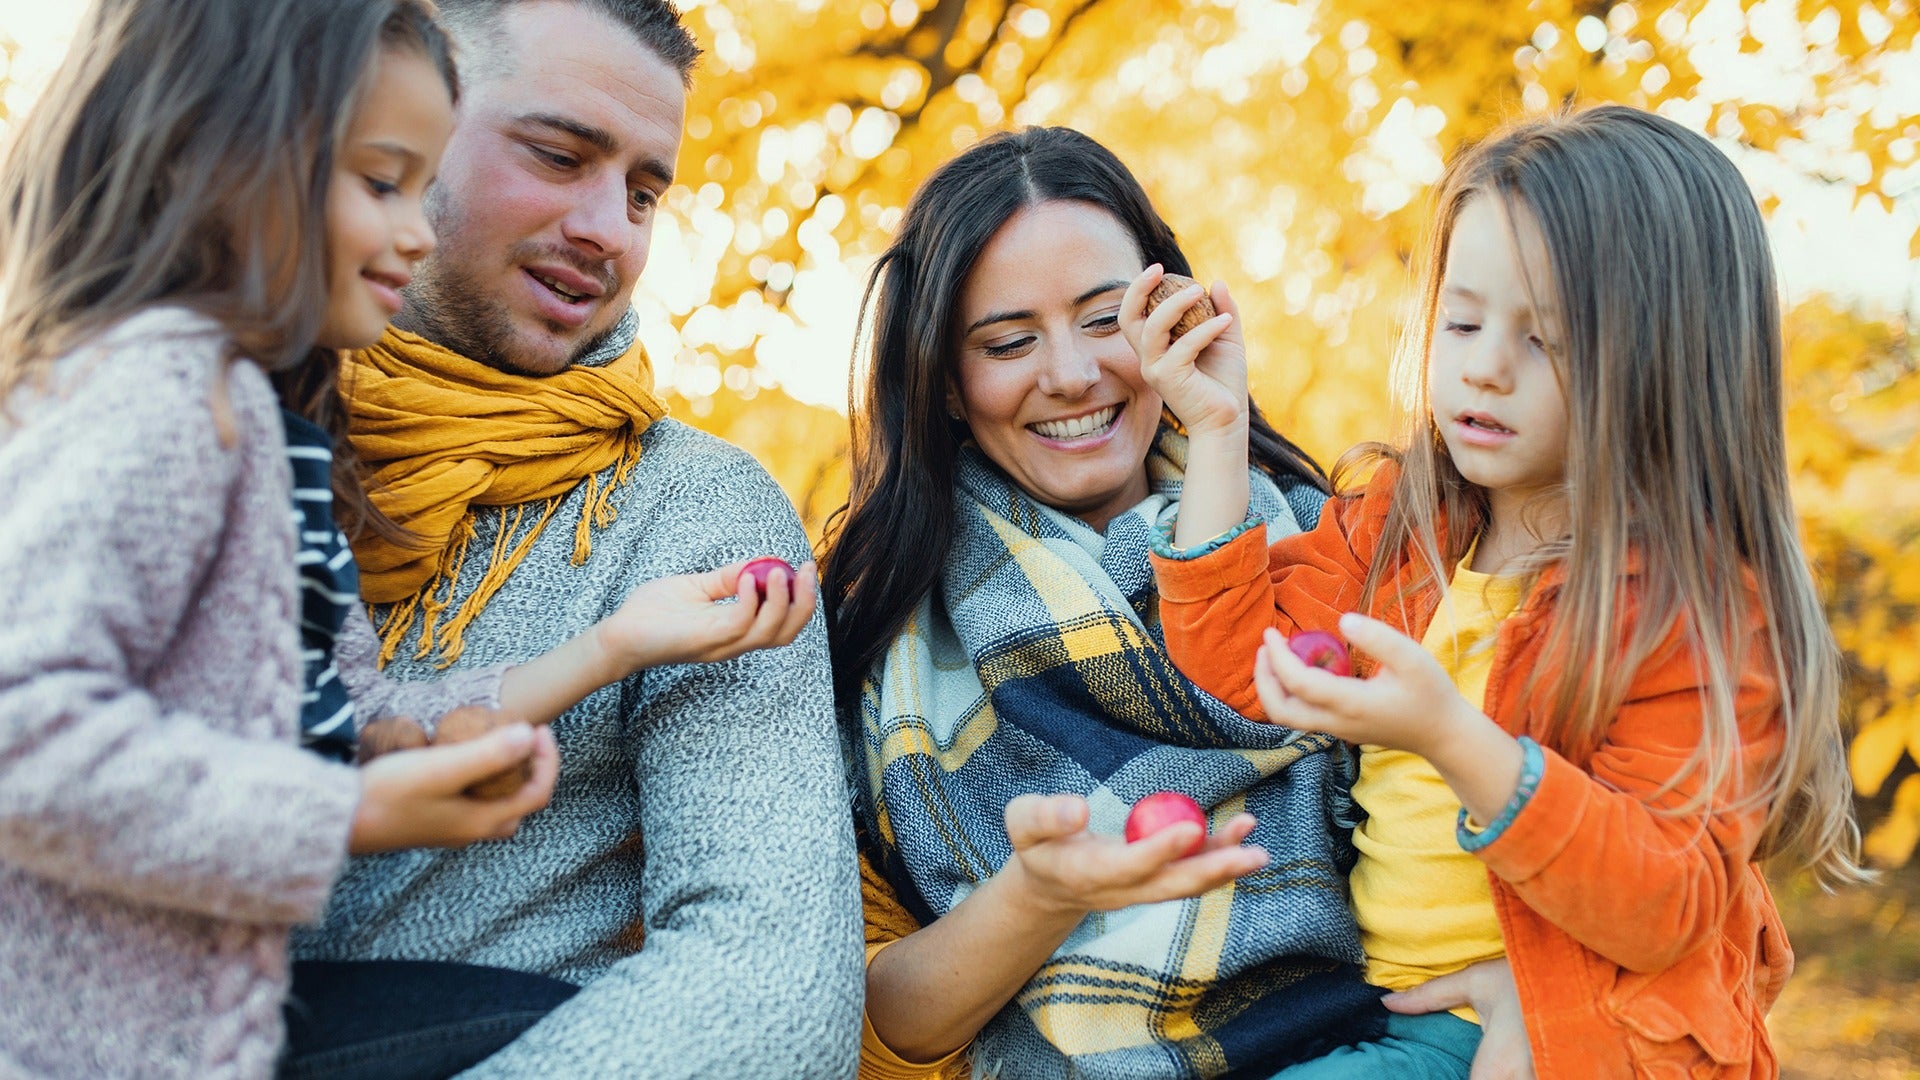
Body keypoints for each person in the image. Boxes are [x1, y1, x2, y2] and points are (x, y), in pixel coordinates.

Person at [1139, 104, 1866, 1078]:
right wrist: (1219, 432)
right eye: (1464, 319)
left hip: (1586, 1039)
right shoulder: (1407, 529)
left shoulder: (1691, 609)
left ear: (1667, 360)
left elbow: (1667, 905)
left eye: (1547, 339)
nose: (1483, 365)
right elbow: (1238, 666)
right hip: (1404, 1018)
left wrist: (1455, 739)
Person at [823, 126, 1541, 1080]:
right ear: (947, 383)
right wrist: (1039, 894)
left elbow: (1548, 815)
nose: (1073, 374)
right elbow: (875, 1024)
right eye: (1008, 342)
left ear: (1179, 314)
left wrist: (1522, 990)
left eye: (1107, 317)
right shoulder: (878, 644)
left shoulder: (1349, 551)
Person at [291, 0, 863, 1074]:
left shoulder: (696, 512)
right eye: (560, 156)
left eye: (646, 192)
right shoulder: (227, 432)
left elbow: (771, 985)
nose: (612, 229)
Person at [0, 2, 556, 1076]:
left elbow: (343, 708)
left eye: (424, 188)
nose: (420, 234)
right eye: (379, 182)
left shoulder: (260, 419)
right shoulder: (166, 392)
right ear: (219, 157)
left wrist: (618, 648)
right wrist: (342, 814)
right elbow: (20, 727)